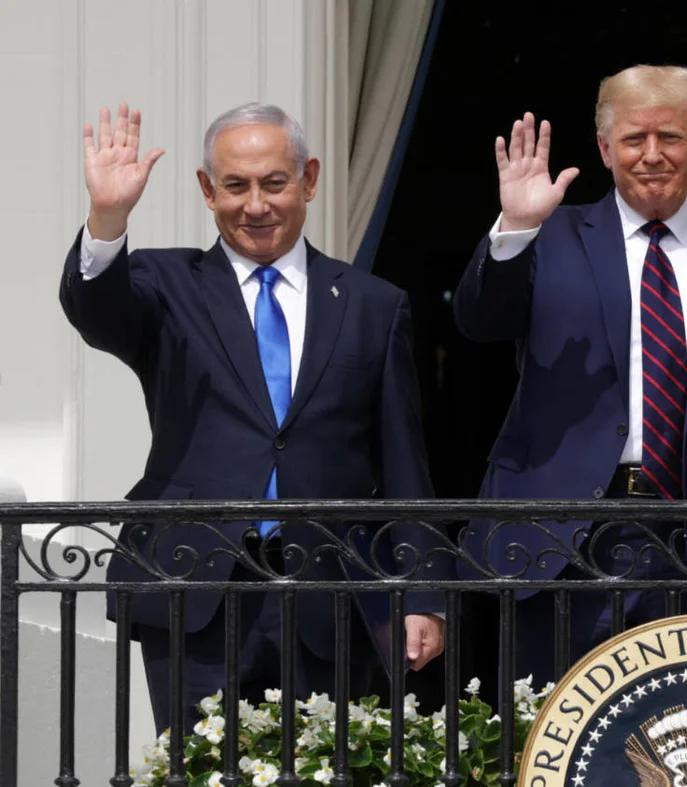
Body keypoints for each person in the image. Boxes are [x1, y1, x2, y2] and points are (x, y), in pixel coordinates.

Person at [61, 102, 447, 734]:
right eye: (235, 186)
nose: (256, 205)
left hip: (331, 594)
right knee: (196, 770)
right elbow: (97, 311)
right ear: (208, 191)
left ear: (309, 180)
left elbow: (404, 460)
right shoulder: (165, 283)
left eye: (274, 182)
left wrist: (424, 593)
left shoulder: (374, 305)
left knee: (330, 772)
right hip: (194, 587)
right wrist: (109, 218)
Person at [453, 64, 687, 685]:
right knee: (552, 752)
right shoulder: (545, 234)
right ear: (603, 148)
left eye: (670, 137)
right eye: (633, 139)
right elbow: (480, 322)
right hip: (561, 546)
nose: (651, 155)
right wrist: (513, 230)